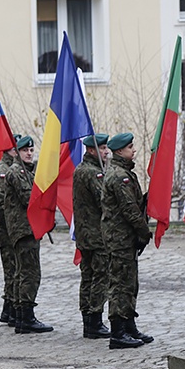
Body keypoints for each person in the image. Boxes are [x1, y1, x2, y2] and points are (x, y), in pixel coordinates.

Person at [101, 132, 154, 349]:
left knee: (130, 283)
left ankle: (129, 325)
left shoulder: (125, 173)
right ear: (120, 151)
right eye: (130, 147)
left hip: (125, 238)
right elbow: (129, 210)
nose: (134, 150)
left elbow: (135, 202)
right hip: (119, 238)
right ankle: (118, 332)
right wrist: (144, 232)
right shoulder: (118, 176)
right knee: (120, 285)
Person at [4, 135, 53, 334]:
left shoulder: (27, 171)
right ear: (17, 152)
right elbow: (28, 198)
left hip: (28, 228)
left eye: (31, 150)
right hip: (23, 229)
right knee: (29, 273)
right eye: (25, 150)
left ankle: (20, 315)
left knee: (24, 272)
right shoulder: (16, 172)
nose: (29, 153)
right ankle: (26, 317)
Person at [73, 133, 112, 340]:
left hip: (85, 234)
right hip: (96, 234)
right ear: (90, 150)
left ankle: (88, 319)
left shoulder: (81, 169)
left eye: (106, 148)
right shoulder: (92, 173)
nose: (106, 151)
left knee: (87, 276)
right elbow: (104, 199)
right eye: (102, 148)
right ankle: (95, 318)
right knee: (100, 276)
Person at [0, 134, 20, 326]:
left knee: (15, 269)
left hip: (12, 228)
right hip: (6, 229)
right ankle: (10, 310)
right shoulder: (2, 171)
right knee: (11, 270)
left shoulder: (14, 169)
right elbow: (1, 203)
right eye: (17, 148)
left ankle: (9, 309)